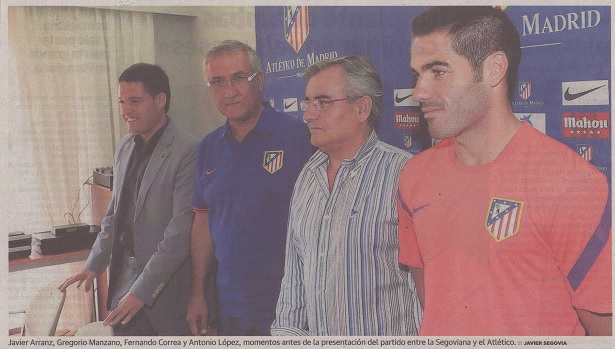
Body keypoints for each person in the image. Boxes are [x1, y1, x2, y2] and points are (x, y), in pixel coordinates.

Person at [397, 6, 612, 336]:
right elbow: (437, 303)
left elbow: (604, 333)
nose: (420, 92)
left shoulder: (571, 184)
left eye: (438, 71)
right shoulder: (414, 176)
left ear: (494, 69)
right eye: (417, 75)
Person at [271, 56, 422, 335]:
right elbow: (294, 283)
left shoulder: (404, 174)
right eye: (308, 102)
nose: (308, 115)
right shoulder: (308, 176)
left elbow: (427, 293)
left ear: (362, 108)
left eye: (323, 103)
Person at [59, 63, 198, 335]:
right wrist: (93, 264)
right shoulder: (125, 146)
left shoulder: (188, 150)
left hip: (163, 293)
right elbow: (115, 215)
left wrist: (142, 291)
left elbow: (179, 235)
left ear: (160, 100)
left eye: (134, 101)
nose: (125, 111)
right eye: (122, 102)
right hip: (122, 287)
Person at [187, 40, 312, 336]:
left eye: (239, 78)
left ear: (260, 81)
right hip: (229, 306)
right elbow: (202, 223)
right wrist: (197, 292)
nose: (229, 92)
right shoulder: (208, 147)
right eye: (218, 82)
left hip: (291, 306)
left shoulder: (300, 137)